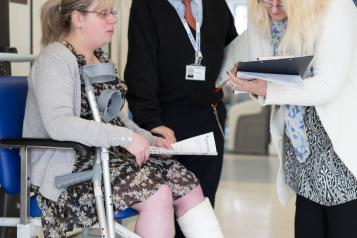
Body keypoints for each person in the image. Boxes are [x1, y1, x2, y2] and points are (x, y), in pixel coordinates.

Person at [23, 0, 225, 237]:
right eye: (103, 14)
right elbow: (59, 124)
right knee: (157, 194)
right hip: (67, 172)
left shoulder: (101, 59)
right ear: (77, 19)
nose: (113, 20)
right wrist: (125, 138)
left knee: (187, 183)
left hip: (105, 159)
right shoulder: (54, 59)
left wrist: (149, 139)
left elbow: (116, 120)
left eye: (112, 13)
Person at [220, 0, 357, 237]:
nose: (273, 9)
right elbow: (242, 53)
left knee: (342, 224)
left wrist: (268, 90)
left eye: (281, 2)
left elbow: (328, 85)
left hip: (339, 149)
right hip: (301, 149)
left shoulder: (337, 7)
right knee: (307, 225)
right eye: (266, 1)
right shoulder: (262, 14)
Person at [124, 1, 237, 236]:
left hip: (208, 119)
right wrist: (152, 123)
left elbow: (234, 51)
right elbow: (139, 69)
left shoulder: (216, 5)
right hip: (163, 126)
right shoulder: (147, 5)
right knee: (166, 211)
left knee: (201, 210)